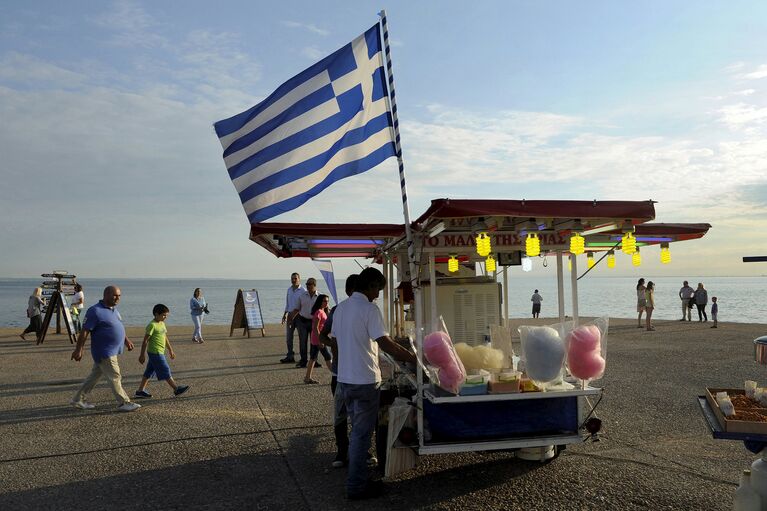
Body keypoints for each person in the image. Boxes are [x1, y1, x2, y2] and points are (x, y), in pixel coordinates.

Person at [332, 267, 416, 500]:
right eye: (377, 289)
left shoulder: (340, 309)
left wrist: (342, 366)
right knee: (361, 434)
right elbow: (386, 343)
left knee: (357, 431)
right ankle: (357, 486)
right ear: (369, 286)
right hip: (365, 380)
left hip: (346, 380)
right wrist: (413, 358)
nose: (378, 294)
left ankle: (358, 479)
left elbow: (336, 343)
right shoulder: (369, 309)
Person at [321, 274, 379, 470]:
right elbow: (323, 336)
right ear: (348, 291)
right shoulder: (338, 310)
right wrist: (338, 349)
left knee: (358, 421)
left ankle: (361, 453)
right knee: (341, 416)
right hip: (341, 374)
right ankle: (341, 451)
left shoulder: (355, 309)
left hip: (352, 374)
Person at [70, 285, 141, 412]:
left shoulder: (114, 310)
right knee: (115, 375)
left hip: (112, 350)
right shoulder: (95, 311)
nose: (117, 298)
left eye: (119, 296)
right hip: (104, 351)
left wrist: (127, 341)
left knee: (94, 376)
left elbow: (118, 327)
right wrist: (78, 349)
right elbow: (85, 331)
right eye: (115, 295)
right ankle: (124, 402)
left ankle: (78, 399)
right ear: (106, 295)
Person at [135, 304, 190, 398]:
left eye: (166, 315)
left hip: (160, 351)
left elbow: (165, 337)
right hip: (155, 352)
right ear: (156, 314)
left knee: (149, 371)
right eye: (164, 315)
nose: (165, 317)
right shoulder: (152, 325)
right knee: (165, 369)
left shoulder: (162, 324)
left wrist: (170, 350)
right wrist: (142, 355)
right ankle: (176, 389)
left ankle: (140, 391)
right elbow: (145, 341)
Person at [289, 277, 320, 368]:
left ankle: (314, 361)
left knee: (314, 343)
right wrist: (291, 320)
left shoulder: (320, 296)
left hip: (315, 322)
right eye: (306, 284)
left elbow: (325, 309)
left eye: (309, 284)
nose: (307, 286)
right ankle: (303, 361)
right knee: (303, 342)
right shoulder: (302, 296)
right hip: (302, 321)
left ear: (314, 285)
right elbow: (296, 309)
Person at [304, 294, 332, 384]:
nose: (326, 303)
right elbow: (315, 328)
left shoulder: (323, 311)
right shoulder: (318, 312)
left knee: (313, 358)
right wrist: (320, 340)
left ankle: (307, 378)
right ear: (320, 301)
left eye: (327, 301)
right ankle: (337, 376)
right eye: (324, 301)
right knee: (327, 357)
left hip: (317, 338)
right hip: (317, 338)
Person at [280, 273, 305, 364]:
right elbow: (288, 303)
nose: (293, 280)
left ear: (299, 279)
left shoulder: (303, 290)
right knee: (289, 338)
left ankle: (303, 358)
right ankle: (290, 356)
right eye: (292, 278)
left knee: (302, 338)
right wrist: (284, 314)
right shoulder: (289, 290)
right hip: (290, 316)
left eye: (295, 278)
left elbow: (304, 305)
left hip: (299, 316)